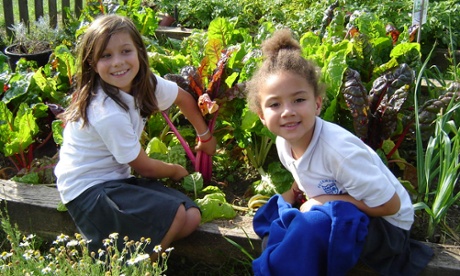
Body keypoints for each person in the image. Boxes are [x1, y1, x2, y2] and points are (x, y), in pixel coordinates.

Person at [246, 29, 433, 276]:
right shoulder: (285, 143)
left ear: (318, 103)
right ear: (261, 116)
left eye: (299, 100)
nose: (287, 111)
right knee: (278, 209)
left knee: (312, 226)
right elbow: (303, 171)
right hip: (347, 208)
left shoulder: (339, 151)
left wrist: (324, 201)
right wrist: (293, 193)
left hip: (387, 227)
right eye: (275, 104)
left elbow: (391, 205)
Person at [54, 14, 216, 256]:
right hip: (88, 192)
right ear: (92, 63)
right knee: (176, 214)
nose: (118, 62)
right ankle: (138, 266)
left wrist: (204, 136)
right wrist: (175, 170)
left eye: (125, 51)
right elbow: (146, 168)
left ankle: (126, 252)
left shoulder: (145, 84)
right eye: (106, 56)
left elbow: (183, 98)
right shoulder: (106, 111)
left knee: (191, 216)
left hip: (116, 182)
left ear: (140, 52)